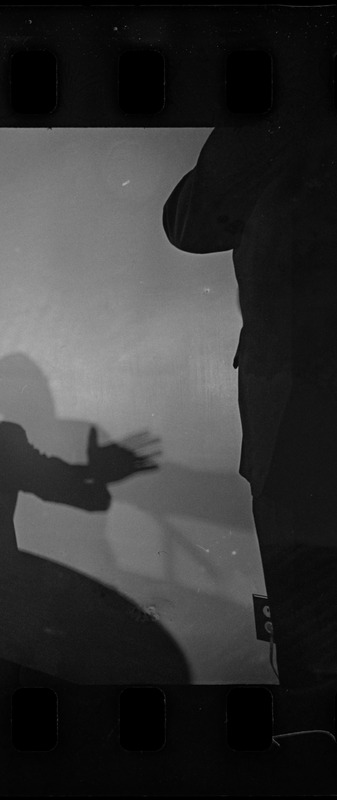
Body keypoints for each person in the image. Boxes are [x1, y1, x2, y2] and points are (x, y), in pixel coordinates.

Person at [163, 109, 337, 735]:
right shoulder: (266, 134)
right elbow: (186, 225)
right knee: (307, 626)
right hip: (285, 412)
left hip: (295, 401)